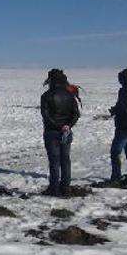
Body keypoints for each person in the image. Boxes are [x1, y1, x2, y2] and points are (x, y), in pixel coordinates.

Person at [40, 69, 80, 197]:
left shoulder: (46, 96)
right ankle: (66, 188)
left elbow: (45, 115)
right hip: (66, 132)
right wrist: (67, 126)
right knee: (65, 160)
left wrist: (58, 126)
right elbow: (76, 113)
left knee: (54, 161)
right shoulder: (70, 95)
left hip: (52, 132)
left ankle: (54, 189)